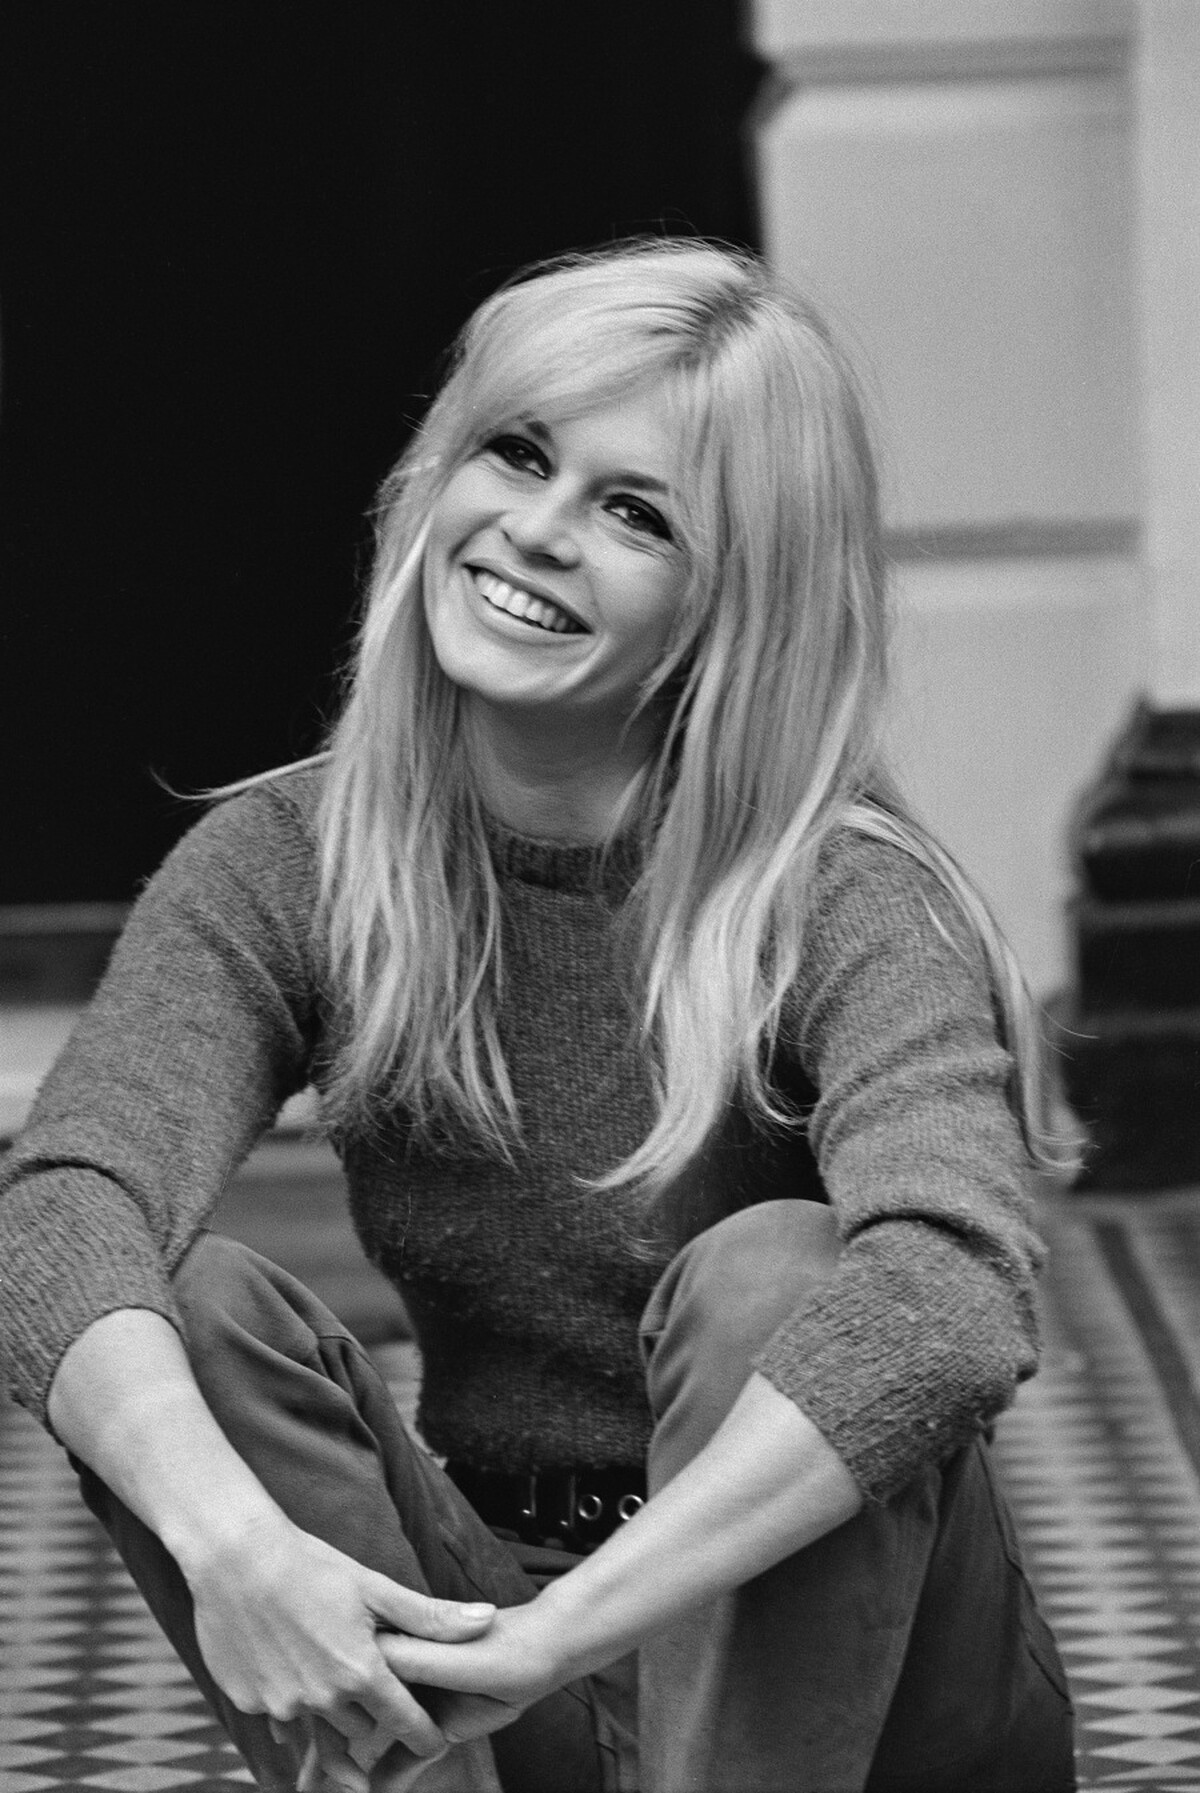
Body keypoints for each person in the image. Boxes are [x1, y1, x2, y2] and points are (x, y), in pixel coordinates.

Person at [0, 239, 1076, 1793]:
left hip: (866, 1676)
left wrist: (565, 1633)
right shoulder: (291, 863)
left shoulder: (843, 893)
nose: (540, 530)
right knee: (185, 1308)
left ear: (736, 604)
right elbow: (63, 1202)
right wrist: (230, 1543)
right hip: (503, 1648)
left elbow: (953, 1293)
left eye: (638, 514)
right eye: (517, 451)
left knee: (779, 1273)